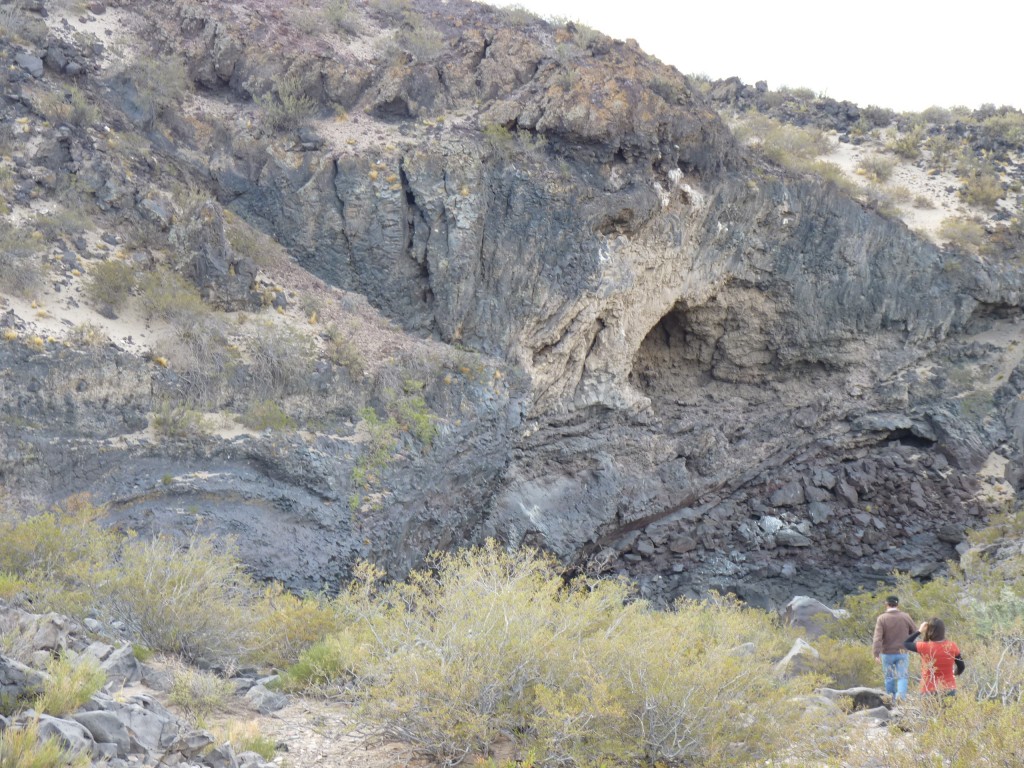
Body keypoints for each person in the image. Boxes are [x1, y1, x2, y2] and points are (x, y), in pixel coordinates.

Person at [903, 617, 965, 696]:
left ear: (929, 631)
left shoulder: (924, 646)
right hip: (949, 689)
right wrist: (954, 674)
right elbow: (961, 666)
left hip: (928, 690)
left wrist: (919, 631)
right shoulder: (952, 646)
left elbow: (906, 643)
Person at [872, 595, 916, 700]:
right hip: (902, 652)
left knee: (889, 677)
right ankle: (901, 698)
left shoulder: (882, 618)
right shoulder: (905, 616)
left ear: (886, 604)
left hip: (887, 653)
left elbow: (877, 638)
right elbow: (915, 631)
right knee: (902, 677)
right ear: (898, 604)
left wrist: (876, 653)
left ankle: (891, 699)